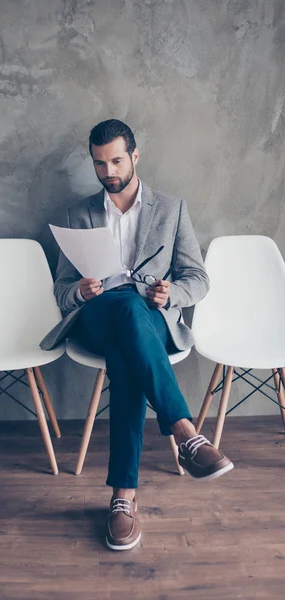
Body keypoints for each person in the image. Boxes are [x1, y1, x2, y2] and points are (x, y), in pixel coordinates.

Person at [41, 119, 233, 551]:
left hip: (151, 321)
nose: (108, 171)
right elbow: (61, 288)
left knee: (128, 349)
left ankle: (122, 498)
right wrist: (80, 289)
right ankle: (185, 432)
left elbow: (198, 278)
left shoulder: (172, 208)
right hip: (97, 318)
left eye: (116, 161)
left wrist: (171, 294)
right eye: (99, 163)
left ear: (135, 156)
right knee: (123, 306)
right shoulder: (78, 213)